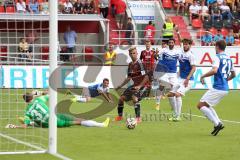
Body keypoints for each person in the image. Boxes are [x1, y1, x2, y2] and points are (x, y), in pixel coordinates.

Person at [5, 91, 110, 129]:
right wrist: (39, 93)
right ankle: (101, 125)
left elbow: (24, 126)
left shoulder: (27, 112)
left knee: (36, 122)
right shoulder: (39, 100)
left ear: (25, 101)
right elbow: (49, 93)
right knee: (78, 121)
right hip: (56, 120)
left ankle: (30, 122)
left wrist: (16, 126)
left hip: (46, 124)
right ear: (32, 97)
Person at [197, 40, 235, 136]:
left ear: (217, 47)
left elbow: (214, 70)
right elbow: (234, 74)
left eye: (215, 46)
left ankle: (217, 123)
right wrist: (226, 80)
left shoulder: (217, 57)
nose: (214, 48)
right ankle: (219, 123)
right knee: (207, 105)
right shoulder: (229, 59)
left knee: (200, 105)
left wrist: (202, 76)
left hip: (218, 87)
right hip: (225, 88)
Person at [115, 46, 149, 123]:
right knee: (121, 99)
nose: (133, 54)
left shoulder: (140, 63)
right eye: (131, 53)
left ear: (137, 54)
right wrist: (120, 86)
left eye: (134, 53)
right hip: (134, 85)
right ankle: (120, 116)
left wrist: (140, 86)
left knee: (134, 98)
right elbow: (128, 78)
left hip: (144, 86)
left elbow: (146, 77)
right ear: (129, 55)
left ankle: (138, 118)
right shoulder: (130, 64)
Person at [170, 38, 196, 121]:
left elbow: (194, 68)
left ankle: (178, 116)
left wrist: (187, 79)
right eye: (184, 44)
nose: (185, 45)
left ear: (190, 45)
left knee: (177, 94)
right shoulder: (181, 53)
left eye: (187, 44)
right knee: (171, 94)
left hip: (188, 80)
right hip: (180, 78)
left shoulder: (191, 55)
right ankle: (175, 113)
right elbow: (181, 65)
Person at [154, 39, 180, 114]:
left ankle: (173, 106)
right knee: (161, 86)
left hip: (173, 73)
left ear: (174, 43)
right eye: (169, 43)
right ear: (168, 44)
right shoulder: (164, 50)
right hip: (164, 72)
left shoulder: (177, 51)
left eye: (172, 42)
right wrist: (156, 54)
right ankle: (158, 103)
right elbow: (157, 57)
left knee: (174, 89)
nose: (171, 44)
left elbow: (181, 59)